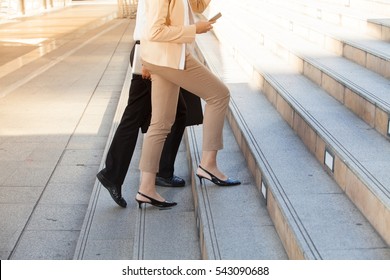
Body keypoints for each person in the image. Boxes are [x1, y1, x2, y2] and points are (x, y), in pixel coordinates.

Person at [135, 0, 241, 209]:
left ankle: (146, 188)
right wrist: (194, 29)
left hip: (163, 57)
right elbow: (155, 31)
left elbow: (197, 5)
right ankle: (208, 165)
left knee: (161, 123)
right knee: (219, 95)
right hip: (170, 57)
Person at [96, 0, 203, 208]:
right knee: (134, 116)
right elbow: (149, 22)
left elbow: (195, 7)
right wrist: (146, 58)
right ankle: (114, 174)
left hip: (157, 52)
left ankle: (161, 171)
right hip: (149, 53)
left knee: (179, 111)